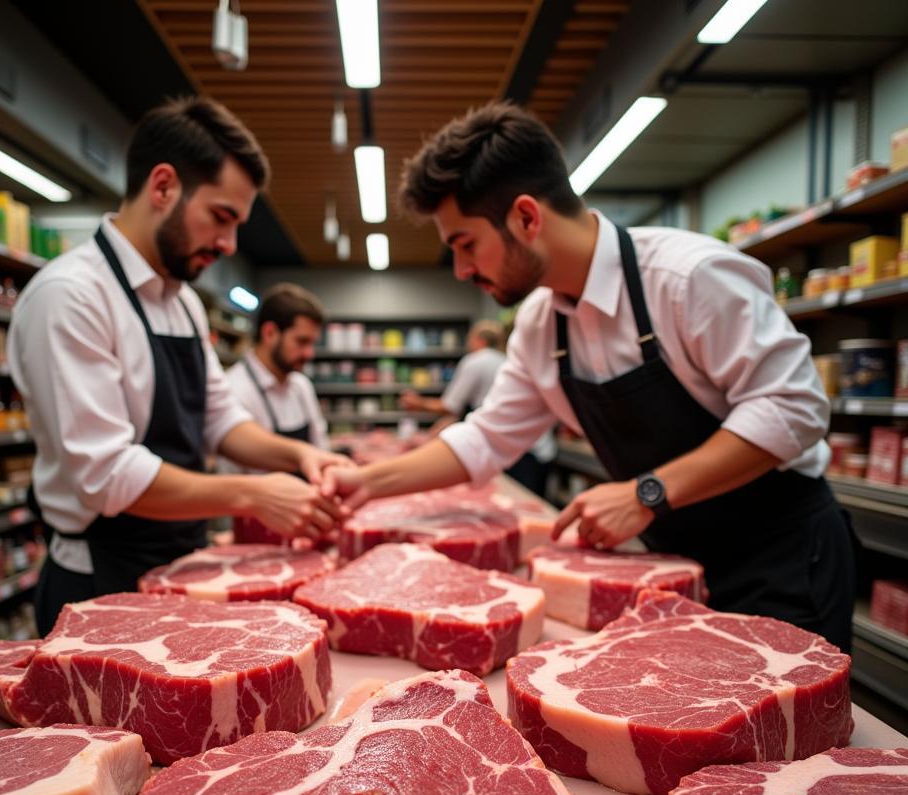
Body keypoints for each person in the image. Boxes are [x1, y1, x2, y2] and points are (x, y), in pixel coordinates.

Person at [323, 101, 855, 652]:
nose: (461, 271)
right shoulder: (539, 323)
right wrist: (367, 483)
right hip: (667, 562)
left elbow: (794, 408)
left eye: (465, 245)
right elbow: (486, 437)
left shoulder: (687, 277)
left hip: (781, 555)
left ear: (527, 217)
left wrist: (648, 493)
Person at [9, 96, 347, 634]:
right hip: (101, 580)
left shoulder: (182, 301)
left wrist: (300, 454)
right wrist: (254, 493)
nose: (229, 242)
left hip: (181, 567)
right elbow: (107, 474)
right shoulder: (71, 296)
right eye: (221, 217)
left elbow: (219, 418)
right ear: (163, 186)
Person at [400, 318, 556, 496]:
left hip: (516, 450)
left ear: (479, 340)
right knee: (524, 501)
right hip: (536, 447)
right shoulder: (506, 359)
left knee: (512, 502)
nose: (468, 343)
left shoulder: (475, 361)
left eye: (470, 339)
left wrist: (418, 403)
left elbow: (450, 406)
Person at [223, 282, 329, 452]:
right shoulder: (232, 391)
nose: (309, 354)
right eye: (302, 341)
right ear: (270, 333)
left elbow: (321, 447)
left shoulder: (301, 386)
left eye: (312, 343)